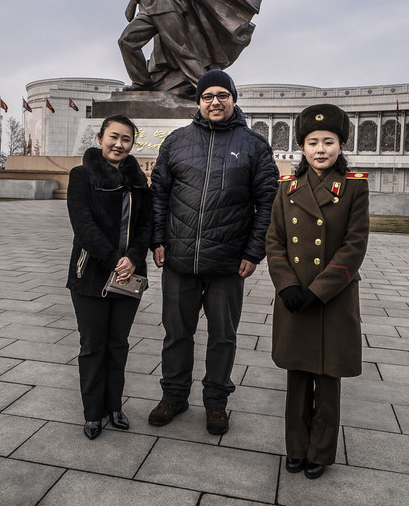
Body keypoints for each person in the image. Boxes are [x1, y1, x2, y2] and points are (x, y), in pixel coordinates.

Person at [148, 69, 279, 434]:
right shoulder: (176, 141)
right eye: (208, 96)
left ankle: (216, 402)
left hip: (227, 262)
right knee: (176, 333)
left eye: (222, 95)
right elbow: (158, 194)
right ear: (199, 102)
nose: (215, 102)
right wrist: (157, 240)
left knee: (223, 336)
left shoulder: (253, 145)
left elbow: (267, 202)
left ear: (233, 99)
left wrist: (254, 252)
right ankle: (173, 396)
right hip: (180, 257)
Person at [266, 104, 370, 478]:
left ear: (341, 145)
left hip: (333, 299)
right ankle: (295, 448)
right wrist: (288, 286)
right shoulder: (286, 188)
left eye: (329, 141)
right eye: (313, 142)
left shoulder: (355, 186)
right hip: (294, 298)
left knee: (328, 379)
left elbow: (354, 246)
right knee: (296, 376)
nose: (321, 149)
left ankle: (321, 452)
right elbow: (275, 241)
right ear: (302, 148)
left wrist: (319, 289)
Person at [66, 115, 153, 439]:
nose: (119, 144)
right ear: (101, 137)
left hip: (129, 276)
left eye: (126, 139)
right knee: (93, 345)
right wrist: (117, 259)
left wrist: (134, 258)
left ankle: (114, 406)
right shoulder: (81, 175)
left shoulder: (138, 181)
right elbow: (84, 226)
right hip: (89, 275)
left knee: (118, 344)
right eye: (113, 137)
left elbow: (146, 225)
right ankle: (92, 413)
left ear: (133, 144)